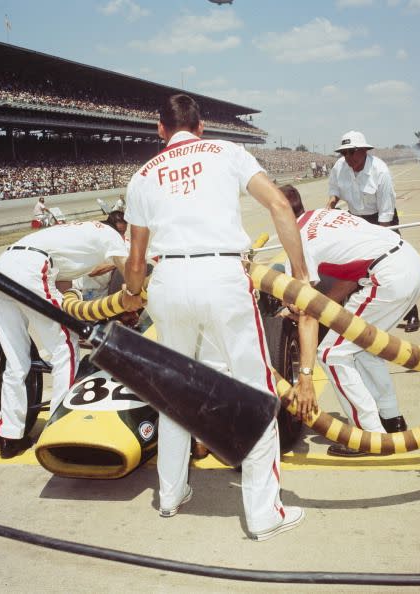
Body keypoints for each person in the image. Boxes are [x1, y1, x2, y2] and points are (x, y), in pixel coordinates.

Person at [123, 94, 319, 541]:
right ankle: (264, 512)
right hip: (221, 275)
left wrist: (133, 295)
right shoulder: (226, 151)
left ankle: (170, 495)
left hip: (168, 280)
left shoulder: (142, 175)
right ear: (202, 126)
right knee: (257, 390)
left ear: (160, 130)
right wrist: (301, 275)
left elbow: (136, 262)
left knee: (172, 389)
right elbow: (280, 206)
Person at [282, 184, 420, 456]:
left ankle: (368, 436)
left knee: (332, 353)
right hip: (412, 263)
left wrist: (305, 374)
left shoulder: (297, 239)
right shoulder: (326, 216)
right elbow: (348, 280)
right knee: (362, 348)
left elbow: (307, 311)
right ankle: (391, 420)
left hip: (388, 276)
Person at [0, 218, 138, 458]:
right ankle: (59, 430)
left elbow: (62, 282)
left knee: (15, 359)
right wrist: (134, 299)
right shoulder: (110, 235)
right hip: (32, 266)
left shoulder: (70, 235)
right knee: (65, 349)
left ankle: (10, 436)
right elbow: (128, 270)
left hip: (0, 266)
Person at [326, 130, 420, 333]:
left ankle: (412, 312)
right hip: (356, 219)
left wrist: (380, 241)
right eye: (344, 153)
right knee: (355, 266)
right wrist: (332, 203)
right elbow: (334, 189)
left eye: (352, 152)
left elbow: (385, 211)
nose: (348, 158)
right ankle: (365, 312)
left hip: (381, 218)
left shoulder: (380, 171)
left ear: (363, 151)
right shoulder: (339, 167)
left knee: (389, 265)